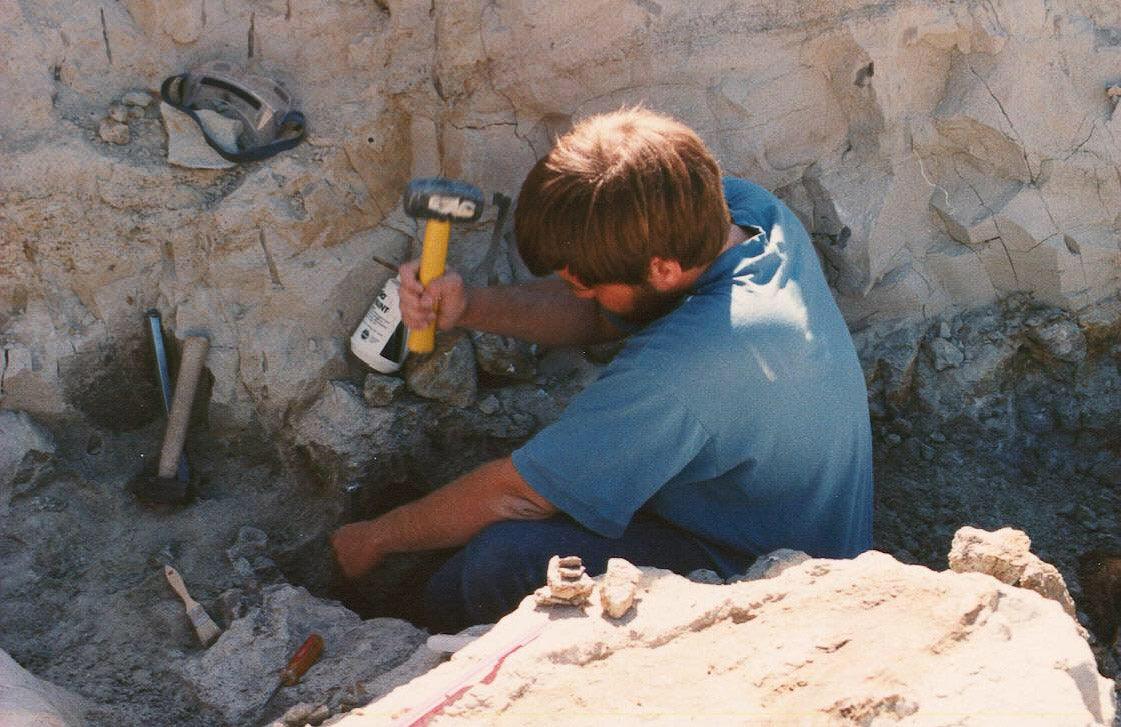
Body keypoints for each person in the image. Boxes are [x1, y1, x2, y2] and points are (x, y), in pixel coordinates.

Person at [331, 107, 873, 633]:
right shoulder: (748, 212)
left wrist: (373, 541)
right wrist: (470, 307)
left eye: (584, 281)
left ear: (662, 268)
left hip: (763, 585)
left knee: (498, 560)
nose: (581, 293)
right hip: (775, 511)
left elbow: (518, 493)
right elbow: (610, 310)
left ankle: (410, 635)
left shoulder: (683, 370)